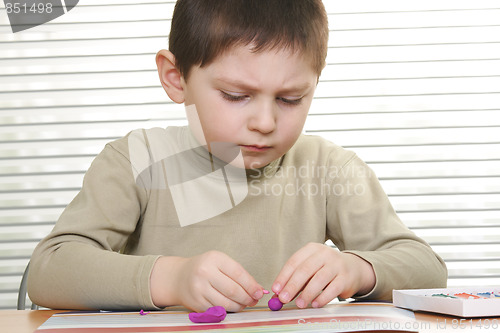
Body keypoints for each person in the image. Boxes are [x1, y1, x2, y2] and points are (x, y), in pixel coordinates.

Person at [27, 0, 447, 312]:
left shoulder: (329, 168)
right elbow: (50, 271)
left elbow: (428, 269)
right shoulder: (136, 160)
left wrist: (357, 269)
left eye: (290, 98)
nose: (264, 121)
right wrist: (172, 279)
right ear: (176, 79)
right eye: (236, 96)